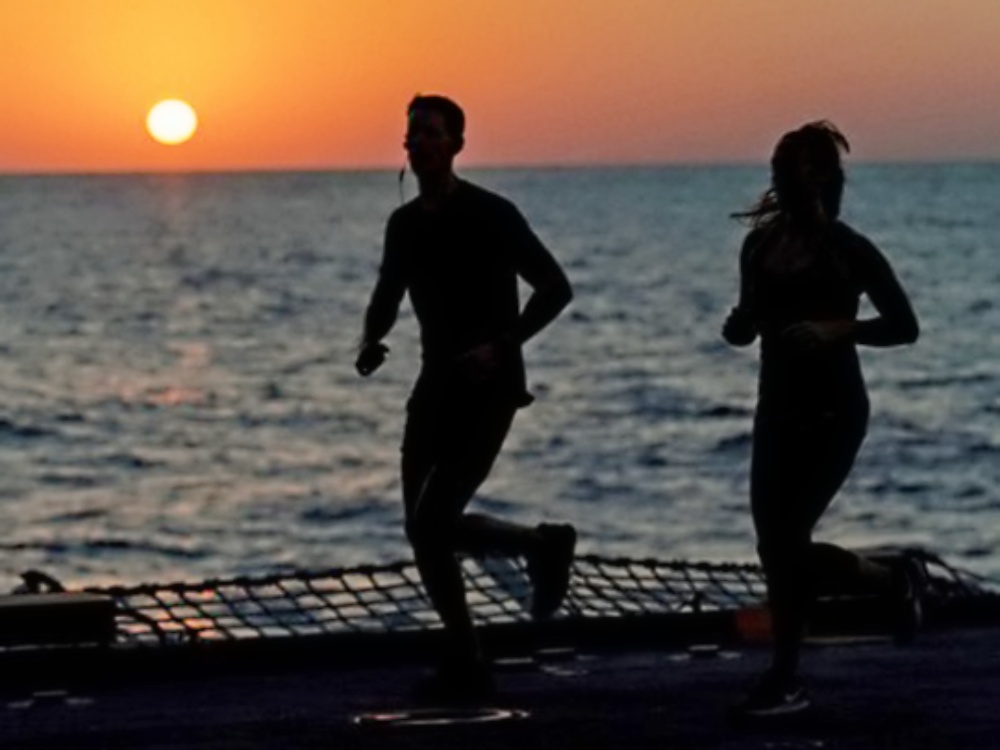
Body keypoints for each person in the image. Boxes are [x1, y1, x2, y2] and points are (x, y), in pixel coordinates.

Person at [356, 94, 576, 702]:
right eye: (411, 134)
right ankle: (489, 623)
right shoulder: (404, 225)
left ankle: (484, 640)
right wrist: (370, 339)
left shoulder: (492, 214)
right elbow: (387, 290)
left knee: (433, 522)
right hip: (433, 386)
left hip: (491, 388)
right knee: (422, 530)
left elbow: (555, 288)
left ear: (456, 143)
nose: (417, 142)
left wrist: (502, 345)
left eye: (430, 132)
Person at [722, 121, 920, 716]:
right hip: (775, 409)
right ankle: (887, 582)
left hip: (836, 410)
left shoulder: (850, 249)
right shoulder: (758, 247)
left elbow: (904, 326)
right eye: (783, 168)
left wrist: (842, 328)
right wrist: (738, 328)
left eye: (804, 169)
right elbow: (751, 319)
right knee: (774, 545)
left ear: (827, 179)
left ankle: (789, 671)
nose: (790, 179)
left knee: (786, 542)